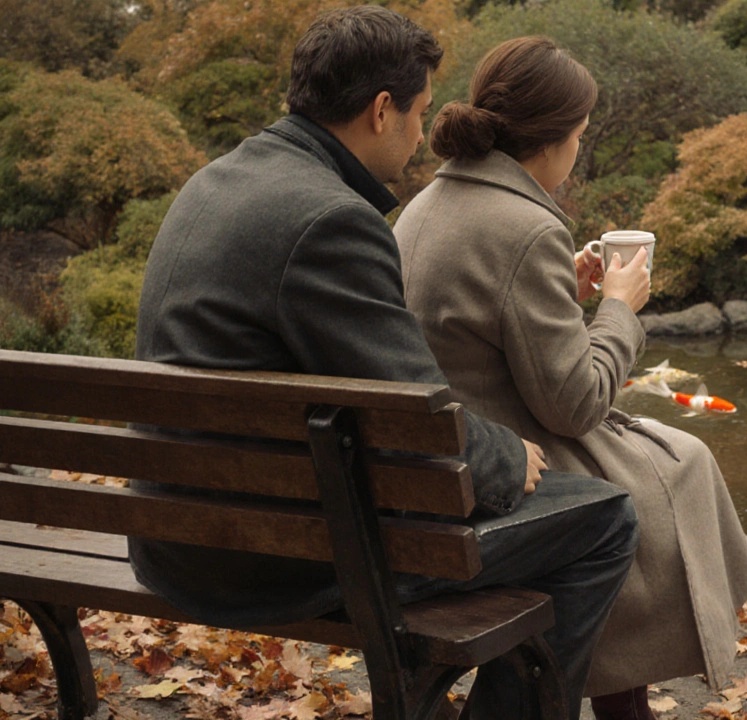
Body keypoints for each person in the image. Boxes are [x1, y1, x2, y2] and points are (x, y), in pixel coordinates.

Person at [130, 8, 638, 719]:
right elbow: (413, 417)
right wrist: (502, 455)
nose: (424, 134)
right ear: (380, 111)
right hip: (263, 557)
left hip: (172, 532)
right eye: (421, 112)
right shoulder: (329, 220)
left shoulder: (217, 181)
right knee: (606, 517)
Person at [394, 37, 747, 720]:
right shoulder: (525, 226)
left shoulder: (424, 206)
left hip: (440, 458)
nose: (578, 152)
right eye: (580, 137)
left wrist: (572, 294)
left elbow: (492, 337)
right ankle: (627, 704)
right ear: (550, 141)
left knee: (676, 460)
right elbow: (577, 403)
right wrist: (619, 308)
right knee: (675, 469)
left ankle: (624, 696)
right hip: (505, 462)